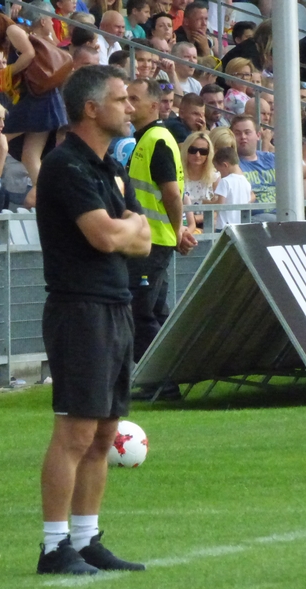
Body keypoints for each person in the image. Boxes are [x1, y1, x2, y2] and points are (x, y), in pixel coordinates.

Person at [35, 65, 150, 576]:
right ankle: (53, 546)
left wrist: (126, 228)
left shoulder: (108, 167)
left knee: (104, 433)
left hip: (115, 303)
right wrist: (127, 228)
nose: (131, 107)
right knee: (76, 432)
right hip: (79, 308)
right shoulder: (65, 165)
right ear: (91, 108)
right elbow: (106, 237)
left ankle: (85, 539)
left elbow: (144, 240)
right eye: (122, 99)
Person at [126, 77, 196, 375]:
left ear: (154, 106)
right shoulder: (150, 138)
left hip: (151, 244)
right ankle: (172, 374)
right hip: (151, 241)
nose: (128, 105)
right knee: (154, 312)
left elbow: (171, 193)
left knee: (140, 313)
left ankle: (158, 380)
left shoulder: (156, 139)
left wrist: (177, 230)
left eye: (134, 99)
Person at [0, 5, 65, 186]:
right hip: (41, 101)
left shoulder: (33, 40)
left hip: (36, 101)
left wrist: (5, 73)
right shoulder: (32, 39)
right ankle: (46, 195)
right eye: (50, 20)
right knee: (30, 156)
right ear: (42, 21)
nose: (52, 24)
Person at [231, 114, 277, 214]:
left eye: (247, 132)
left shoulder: (271, 158)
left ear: (258, 135)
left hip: (282, 213)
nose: (243, 137)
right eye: (237, 133)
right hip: (252, 217)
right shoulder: (230, 164)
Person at [181, 130, 217, 230]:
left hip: (207, 226)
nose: (197, 155)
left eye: (203, 152)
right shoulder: (177, 174)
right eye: (193, 150)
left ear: (209, 154)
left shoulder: (215, 178)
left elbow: (219, 210)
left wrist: (195, 219)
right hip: (181, 226)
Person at [210, 145, 251, 231]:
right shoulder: (246, 182)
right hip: (240, 226)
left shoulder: (225, 181)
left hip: (224, 226)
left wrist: (206, 203)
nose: (219, 173)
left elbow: (220, 205)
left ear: (225, 165)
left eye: (218, 170)